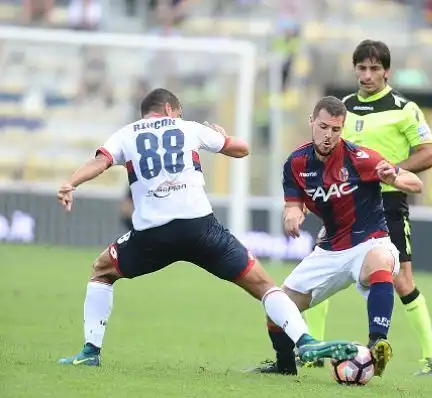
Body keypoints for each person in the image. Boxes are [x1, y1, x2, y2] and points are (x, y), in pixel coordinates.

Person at [55, 88, 358, 367]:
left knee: (101, 271)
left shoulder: (125, 134)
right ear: (171, 109)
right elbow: (241, 149)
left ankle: (90, 353)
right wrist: (222, 136)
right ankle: (304, 341)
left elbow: (101, 161)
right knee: (265, 286)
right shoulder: (189, 128)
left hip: (152, 235)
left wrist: (71, 182)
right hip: (201, 229)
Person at [250, 96, 424, 377]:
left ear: (342, 128)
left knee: (382, 259)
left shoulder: (361, 159)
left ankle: (378, 342)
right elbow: (293, 203)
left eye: (335, 129)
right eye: (323, 127)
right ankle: (284, 365)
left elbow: (416, 183)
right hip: (330, 251)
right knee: (276, 306)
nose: (328, 135)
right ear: (311, 122)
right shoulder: (295, 163)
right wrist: (292, 213)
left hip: (370, 242)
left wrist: (394, 179)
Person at [302, 40, 432, 376]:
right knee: (320, 269)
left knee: (402, 280)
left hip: (387, 201)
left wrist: (393, 169)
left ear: (386, 71)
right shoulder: (345, 107)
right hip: (345, 200)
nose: (367, 75)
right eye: (361, 68)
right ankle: (311, 350)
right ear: (354, 69)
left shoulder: (404, 108)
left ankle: (431, 358)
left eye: (374, 69)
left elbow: (430, 154)